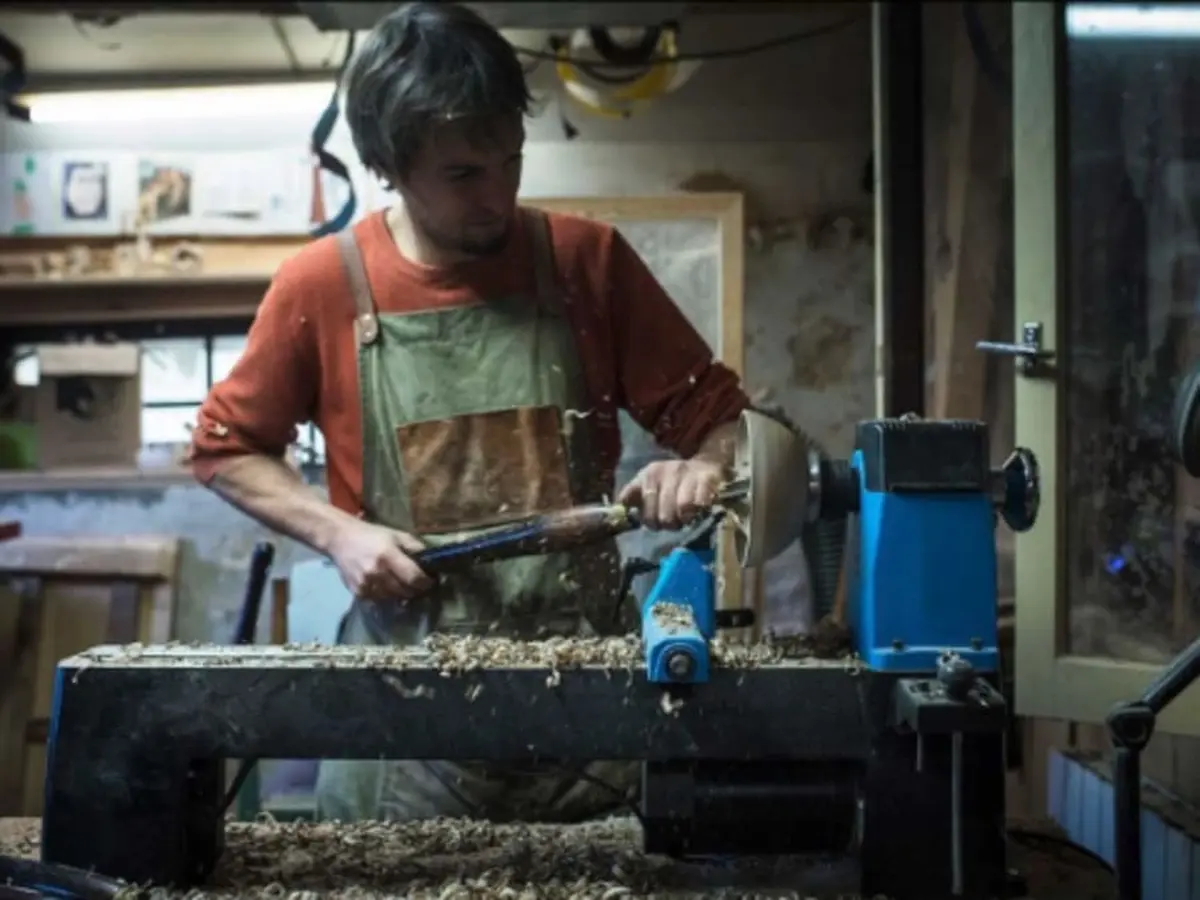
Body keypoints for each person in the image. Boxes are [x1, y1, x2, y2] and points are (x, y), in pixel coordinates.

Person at [189, 0, 750, 824]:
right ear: (387, 165)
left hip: (590, 703)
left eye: (511, 162)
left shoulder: (585, 263)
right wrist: (340, 533)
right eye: (463, 176)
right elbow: (223, 449)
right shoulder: (321, 288)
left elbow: (723, 422)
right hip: (406, 721)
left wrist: (702, 466)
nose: (499, 196)